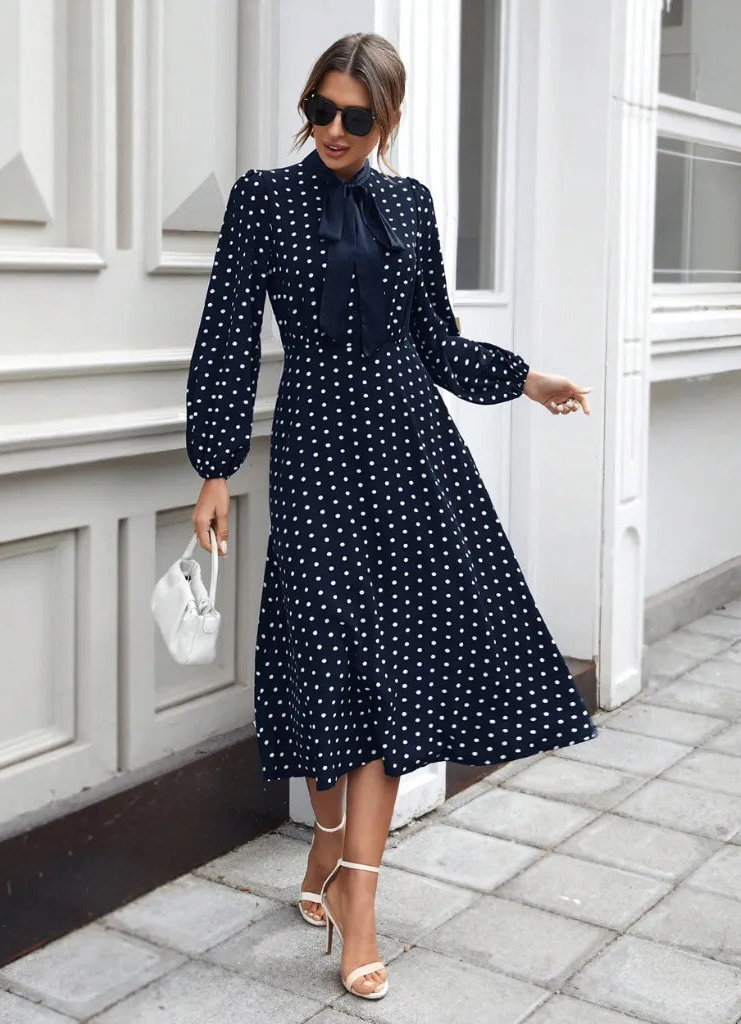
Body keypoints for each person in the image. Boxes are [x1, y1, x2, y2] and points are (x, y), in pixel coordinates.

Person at [185, 31, 598, 1001]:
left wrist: (527, 379)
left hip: (411, 456)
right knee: (328, 667)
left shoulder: (410, 205)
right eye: (319, 109)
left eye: (353, 117)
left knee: (382, 679)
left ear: (388, 120)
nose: (330, 129)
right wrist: (212, 469)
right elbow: (227, 334)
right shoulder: (264, 200)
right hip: (319, 457)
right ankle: (327, 842)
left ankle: (359, 904)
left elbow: (438, 343)